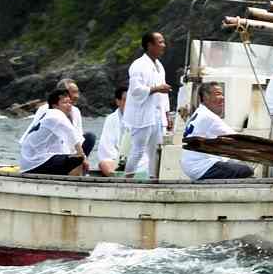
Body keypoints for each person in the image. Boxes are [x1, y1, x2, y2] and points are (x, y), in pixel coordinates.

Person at [124, 31, 173, 179]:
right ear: (150, 45)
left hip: (157, 115)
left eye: (163, 42)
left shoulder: (159, 66)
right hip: (142, 115)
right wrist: (157, 89)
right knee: (138, 150)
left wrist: (167, 114)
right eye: (160, 42)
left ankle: (153, 179)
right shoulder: (138, 65)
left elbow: (163, 96)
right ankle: (127, 180)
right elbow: (136, 91)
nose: (163, 45)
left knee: (156, 150)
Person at [181, 82, 255, 180]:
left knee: (235, 163)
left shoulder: (199, 113)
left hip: (192, 164)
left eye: (222, 94)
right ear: (205, 98)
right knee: (246, 170)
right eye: (218, 94)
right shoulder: (208, 117)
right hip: (201, 166)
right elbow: (237, 138)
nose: (223, 98)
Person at [20, 78, 97, 157]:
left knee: (89, 137)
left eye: (77, 92)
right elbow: (32, 134)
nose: (77, 96)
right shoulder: (47, 109)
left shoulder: (75, 111)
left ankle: (77, 166)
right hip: (44, 153)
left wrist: (79, 156)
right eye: (73, 92)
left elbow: (78, 136)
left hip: (66, 151)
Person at [20, 89, 86, 175]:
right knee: (78, 157)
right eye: (65, 103)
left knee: (74, 155)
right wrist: (82, 156)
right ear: (55, 106)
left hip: (27, 163)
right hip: (35, 163)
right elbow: (72, 134)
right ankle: (75, 179)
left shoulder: (48, 114)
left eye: (70, 102)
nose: (69, 106)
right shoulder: (56, 114)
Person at [95, 86, 129, 176]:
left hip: (135, 159)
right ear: (118, 102)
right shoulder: (111, 119)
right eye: (126, 100)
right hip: (116, 158)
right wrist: (120, 160)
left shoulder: (140, 118)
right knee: (104, 163)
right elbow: (106, 146)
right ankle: (119, 178)